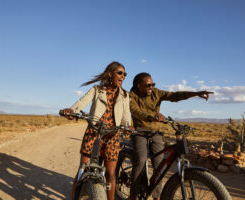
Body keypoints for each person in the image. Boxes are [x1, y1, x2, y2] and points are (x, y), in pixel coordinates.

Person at [129, 72, 213, 200]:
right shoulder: (132, 96)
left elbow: (174, 96)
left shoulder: (156, 93)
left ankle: (156, 196)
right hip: (139, 132)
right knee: (140, 161)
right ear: (138, 85)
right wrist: (152, 117)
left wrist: (195, 94)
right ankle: (133, 195)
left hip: (156, 133)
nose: (151, 87)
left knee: (160, 166)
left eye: (152, 84)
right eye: (148, 85)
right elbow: (135, 111)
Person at [61, 61, 132, 200]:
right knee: (83, 168)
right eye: (120, 73)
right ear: (110, 74)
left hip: (112, 136)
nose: (123, 76)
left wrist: (128, 127)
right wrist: (72, 110)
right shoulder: (97, 90)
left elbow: (126, 116)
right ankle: (74, 197)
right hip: (94, 133)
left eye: (125, 74)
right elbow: (82, 102)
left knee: (111, 174)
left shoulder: (125, 95)